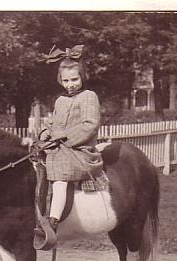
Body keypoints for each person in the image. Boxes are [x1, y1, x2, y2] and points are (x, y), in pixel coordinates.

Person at [35, 45, 103, 239]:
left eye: (74, 79)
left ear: (82, 77)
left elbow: (90, 125)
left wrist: (62, 136)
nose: (70, 84)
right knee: (36, 162)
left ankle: (53, 221)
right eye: (66, 80)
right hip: (60, 146)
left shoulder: (88, 97)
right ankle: (36, 211)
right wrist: (46, 134)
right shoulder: (60, 101)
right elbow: (52, 123)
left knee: (60, 175)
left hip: (80, 149)